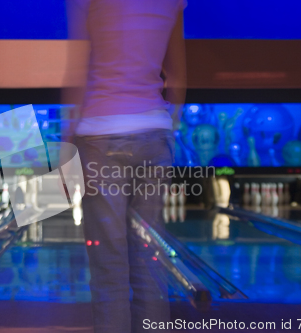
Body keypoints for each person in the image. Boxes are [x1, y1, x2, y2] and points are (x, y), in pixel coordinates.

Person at [62, 0, 186, 332]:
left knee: (108, 267)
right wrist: (165, 124)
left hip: (99, 137)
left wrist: (66, 146)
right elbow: (177, 80)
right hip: (153, 135)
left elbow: (78, 74)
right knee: (149, 261)